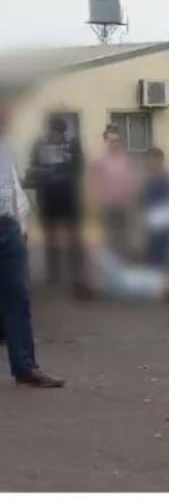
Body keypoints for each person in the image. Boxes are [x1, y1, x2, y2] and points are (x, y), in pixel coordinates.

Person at [0, 87, 65, 387]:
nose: (8, 112)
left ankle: (25, 367)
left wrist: (21, 224)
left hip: (8, 228)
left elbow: (12, 186)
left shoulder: (6, 146)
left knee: (18, 296)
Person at [24, 115, 87, 295]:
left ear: (64, 130)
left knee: (74, 236)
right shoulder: (40, 144)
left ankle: (77, 274)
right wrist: (42, 174)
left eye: (59, 129)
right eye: (53, 129)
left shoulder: (73, 144)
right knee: (51, 237)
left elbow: (80, 167)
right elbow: (33, 167)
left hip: (68, 196)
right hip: (48, 197)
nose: (56, 132)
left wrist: (65, 163)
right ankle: (54, 274)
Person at [88, 124, 137, 258]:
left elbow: (131, 182)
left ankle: (124, 262)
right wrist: (96, 200)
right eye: (111, 141)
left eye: (116, 141)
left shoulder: (126, 160)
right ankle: (111, 265)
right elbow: (93, 183)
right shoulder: (99, 162)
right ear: (105, 142)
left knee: (124, 237)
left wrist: (131, 199)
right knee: (108, 238)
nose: (114, 144)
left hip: (124, 205)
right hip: (107, 206)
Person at [142, 147, 169, 271]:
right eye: (150, 160)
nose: (152, 163)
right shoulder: (145, 180)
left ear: (161, 161)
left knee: (164, 256)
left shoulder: (168, 180)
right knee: (150, 255)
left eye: (155, 160)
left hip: (164, 223)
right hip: (149, 224)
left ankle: (165, 278)